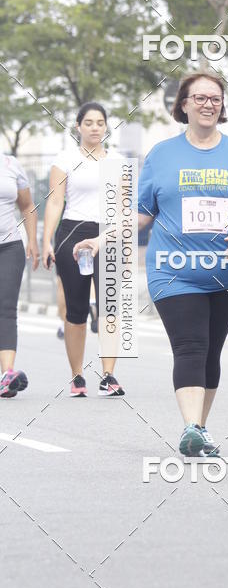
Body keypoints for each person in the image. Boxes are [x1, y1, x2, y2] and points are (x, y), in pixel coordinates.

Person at [75, 73, 228, 457]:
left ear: (222, 106)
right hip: (173, 269)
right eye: (199, 97)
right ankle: (190, 427)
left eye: (215, 98)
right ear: (183, 104)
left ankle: (200, 428)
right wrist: (101, 239)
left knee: (211, 352)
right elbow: (141, 214)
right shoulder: (163, 154)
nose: (208, 104)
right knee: (190, 346)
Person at [42, 102, 125, 397]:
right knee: (76, 310)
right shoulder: (64, 159)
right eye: (88, 122)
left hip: (109, 235)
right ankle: (77, 376)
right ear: (78, 126)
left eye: (100, 122)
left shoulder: (117, 161)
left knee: (110, 308)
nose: (94, 127)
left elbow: (123, 210)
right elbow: (55, 202)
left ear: (106, 127)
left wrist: (112, 237)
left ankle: (109, 375)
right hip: (72, 234)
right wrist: (46, 241)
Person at [0, 154, 39, 397]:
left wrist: (32, 240)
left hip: (10, 246)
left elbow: (27, 205)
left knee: (6, 307)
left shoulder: (11, 164)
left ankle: (7, 374)